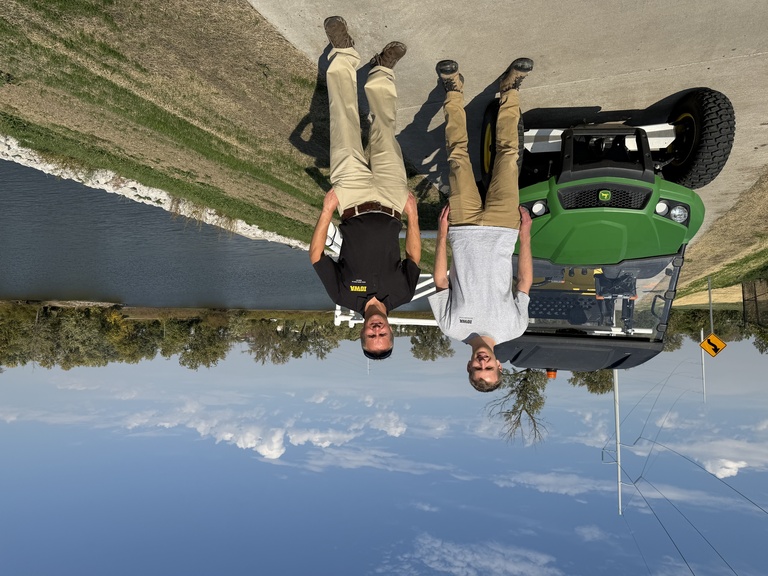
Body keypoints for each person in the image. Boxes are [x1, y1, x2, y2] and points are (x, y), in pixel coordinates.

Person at [309, 16, 421, 360]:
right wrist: (413, 216)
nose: (376, 331)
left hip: (351, 199)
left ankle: (343, 54)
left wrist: (327, 210)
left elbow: (316, 257)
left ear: (361, 334)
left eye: (371, 336)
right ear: (391, 332)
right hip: (392, 200)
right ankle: (381, 72)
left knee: (343, 122)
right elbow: (413, 257)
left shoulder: (342, 295)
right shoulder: (403, 294)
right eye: (382, 335)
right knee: (384, 130)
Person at [428, 58, 534, 391]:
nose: (483, 363)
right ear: (499, 366)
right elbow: (524, 283)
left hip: (463, 228)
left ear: (469, 366)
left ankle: (453, 90)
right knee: (508, 155)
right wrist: (525, 237)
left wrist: (443, 234)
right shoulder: (514, 328)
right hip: (504, 229)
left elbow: (440, 281)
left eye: (477, 368)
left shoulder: (452, 328)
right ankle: (510, 90)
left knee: (457, 156)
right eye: (489, 369)